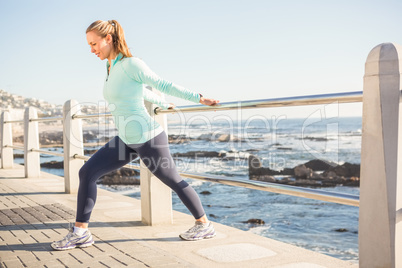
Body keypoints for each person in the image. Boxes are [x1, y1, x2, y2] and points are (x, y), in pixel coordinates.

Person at [51, 19, 220, 251]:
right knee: (86, 172)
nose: (91, 50)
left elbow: (162, 83)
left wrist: (199, 98)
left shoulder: (132, 64)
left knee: (173, 180)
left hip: (148, 137)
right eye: (89, 45)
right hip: (126, 139)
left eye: (94, 44)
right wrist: (162, 103)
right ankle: (80, 233)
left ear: (108, 39)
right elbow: (137, 91)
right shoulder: (111, 66)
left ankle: (204, 224)